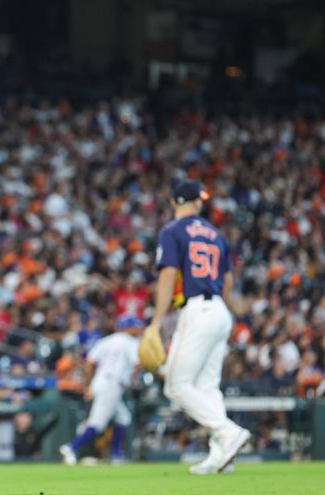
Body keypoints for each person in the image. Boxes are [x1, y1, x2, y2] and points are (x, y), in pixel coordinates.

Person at [147, 179, 250, 474]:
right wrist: (220, 312)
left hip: (197, 309)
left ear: (173, 202)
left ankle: (228, 432)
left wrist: (156, 322)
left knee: (176, 386)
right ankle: (222, 456)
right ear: (197, 203)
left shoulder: (172, 231)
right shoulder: (216, 235)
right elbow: (228, 282)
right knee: (207, 386)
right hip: (218, 308)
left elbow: (168, 276)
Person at [59, 315, 143, 465]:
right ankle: (71, 447)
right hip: (112, 384)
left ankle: (116, 455)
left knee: (123, 418)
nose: (137, 329)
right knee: (97, 423)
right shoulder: (131, 342)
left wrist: (88, 385)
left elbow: (90, 363)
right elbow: (138, 364)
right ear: (127, 327)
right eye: (135, 326)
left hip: (100, 381)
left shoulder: (105, 340)